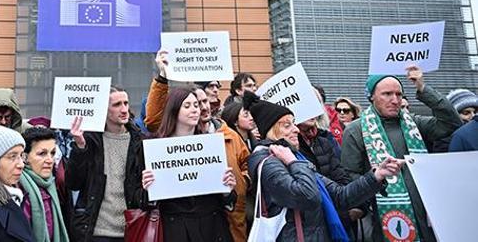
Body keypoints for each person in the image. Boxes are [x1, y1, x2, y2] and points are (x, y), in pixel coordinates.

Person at [245, 92, 403, 242]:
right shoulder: (268, 161)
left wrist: (376, 175)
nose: (295, 129)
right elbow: (308, 197)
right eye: (287, 125)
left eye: (293, 123)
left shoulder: (294, 157)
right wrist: (294, 163)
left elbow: (341, 196)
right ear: (271, 131)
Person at [341, 66, 461, 242]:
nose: (395, 100)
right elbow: (351, 176)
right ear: (372, 96)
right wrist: (375, 181)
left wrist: (422, 88)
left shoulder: (414, 122)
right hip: (385, 217)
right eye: (387, 94)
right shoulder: (355, 130)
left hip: (428, 216)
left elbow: (451, 123)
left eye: (398, 94)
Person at [142, 87, 238, 242]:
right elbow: (141, 200)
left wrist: (227, 190)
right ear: (173, 110)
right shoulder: (155, 148)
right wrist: (149, 189)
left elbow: (228, 202)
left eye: (196, 105)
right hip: (176, 230)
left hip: (212, 229)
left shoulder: (211, 144)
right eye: (187, 106)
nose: (195, 110)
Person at [66, 86, 146, 242]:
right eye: (117, 105)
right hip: (97, 231)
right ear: (103, 109)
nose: (124, 109)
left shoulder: (139, 141)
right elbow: (73, 183)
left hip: (131, 229)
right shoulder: (90, 140)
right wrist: (80, 147)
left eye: (126, 103)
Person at [19, 127, 70, 242]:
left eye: (52, 153)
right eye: (42, 154)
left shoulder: (51, 185)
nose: (50, 160)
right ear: (24, 157)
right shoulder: (17, 188)